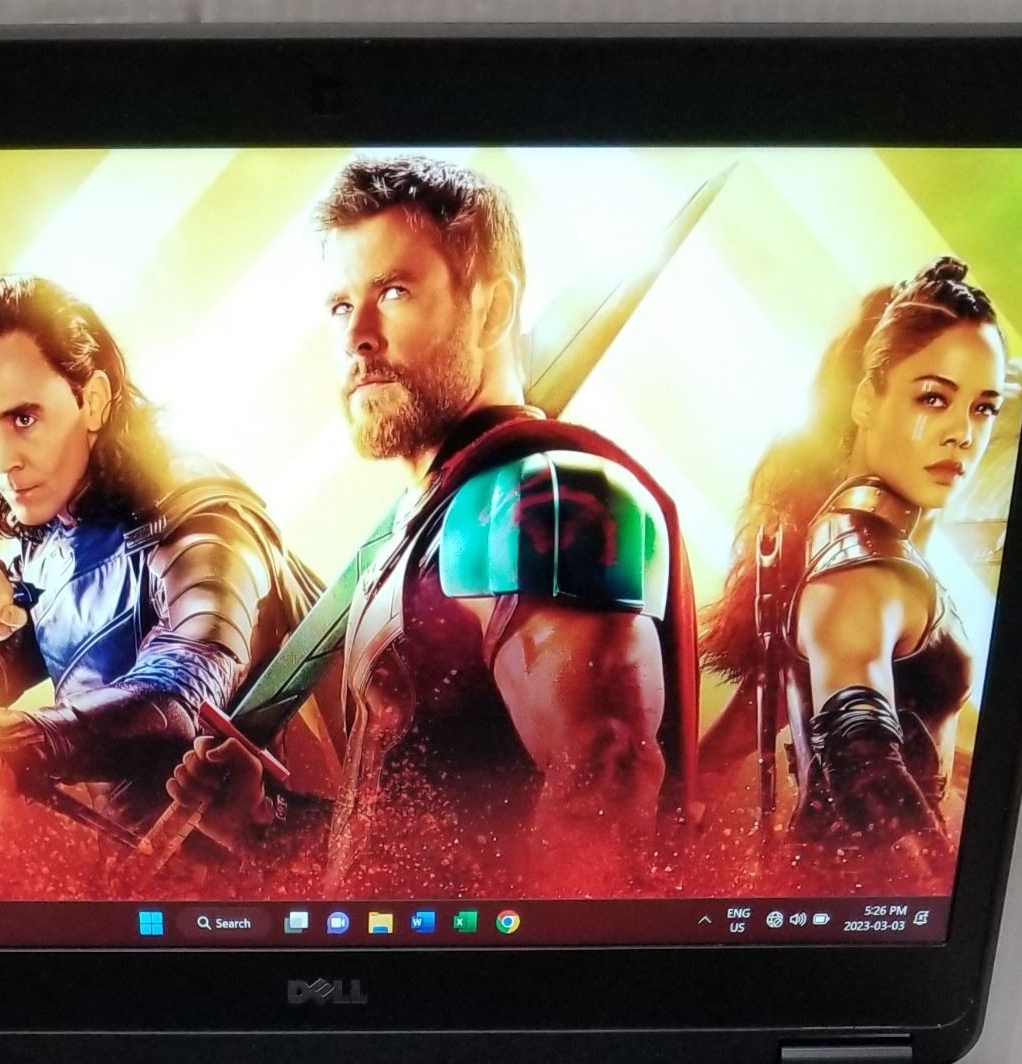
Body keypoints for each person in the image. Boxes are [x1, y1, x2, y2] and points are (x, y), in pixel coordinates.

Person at [166, 154, 700, 896]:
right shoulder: (416, 534)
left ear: (491, 308)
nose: (357, 336)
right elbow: (413, 855)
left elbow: (605, 786)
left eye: (394, 291)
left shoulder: (536, 497)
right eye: (339, 305)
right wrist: (262, 822)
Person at [0, 276, 328, 834]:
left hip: (292, 857)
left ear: (92, 400)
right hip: (149, 868)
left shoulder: (199, 513)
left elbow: (187, 689)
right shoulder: (48, 546)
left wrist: (39, 737)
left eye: (23, 419)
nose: (1, 459)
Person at [699, 256, 1007, 854]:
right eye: (933, 399)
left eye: (983, 408)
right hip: (855, 883)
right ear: (866, 398)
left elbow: (768, 718)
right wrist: (938, 881)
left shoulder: (852, 542)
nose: (963, 434)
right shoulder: (861, 570)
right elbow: (865, 773)